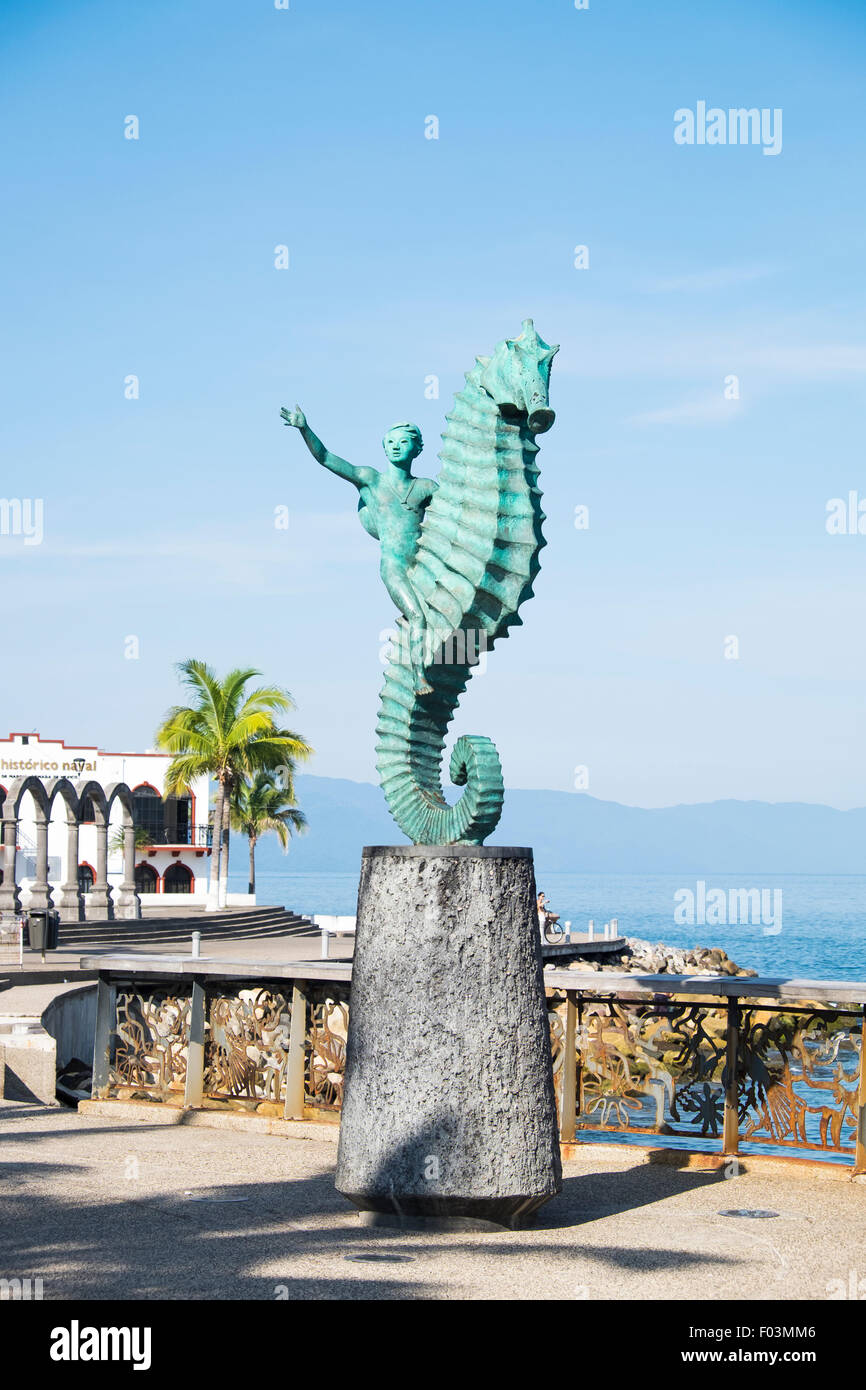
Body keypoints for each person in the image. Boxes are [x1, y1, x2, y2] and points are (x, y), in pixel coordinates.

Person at [282, 406, 436, 693]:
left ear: (417, 449)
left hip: (424, 567)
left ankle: (427, 666)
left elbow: (456, 513)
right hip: (394, 567)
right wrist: (304, 428)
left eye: (403, 443)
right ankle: (418, 679)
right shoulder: (371, 479)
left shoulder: (426, 488)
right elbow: (326, 458)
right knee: (418, 616)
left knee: (442, 620)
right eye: (390, 443)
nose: (396, 447)